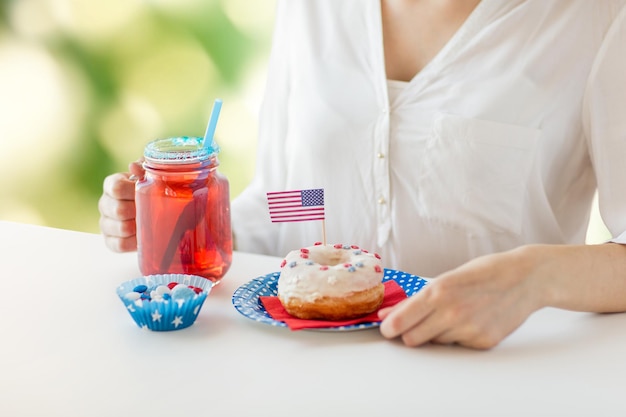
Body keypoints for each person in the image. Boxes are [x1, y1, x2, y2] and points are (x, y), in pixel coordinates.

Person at [99, 0, 626, 349]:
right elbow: (302, 197)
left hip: (495, 378)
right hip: (307, 374)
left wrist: (535, 277)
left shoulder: (593, 17)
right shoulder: (314, 8)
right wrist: (192, 224)